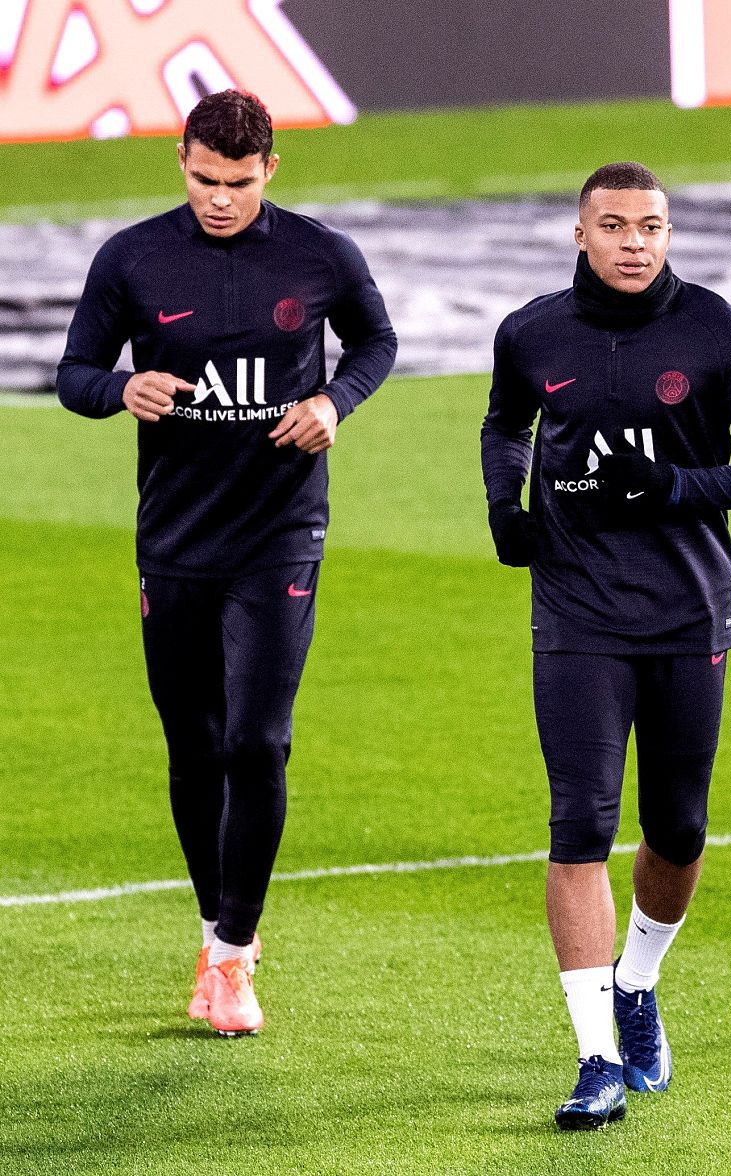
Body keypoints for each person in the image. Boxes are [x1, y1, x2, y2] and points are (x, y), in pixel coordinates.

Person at [56, 89, 397, 1036]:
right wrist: (125, 386)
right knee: (195, 744)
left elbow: (376, 341)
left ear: (271, 171)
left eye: (239, 184)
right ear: (181, 160)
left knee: (259, 739)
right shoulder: (131, 257)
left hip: (279, 534)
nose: (219, 199)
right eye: (205, 180)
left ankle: (237, 954)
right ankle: (215, 932)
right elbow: (73, 376)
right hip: (174, 538)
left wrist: (336, 402)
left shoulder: (320, 255)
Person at [481, 162, 731, 1130]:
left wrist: (677, 490)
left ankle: (637, 981)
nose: (633, 244)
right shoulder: (532, 333)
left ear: (668, 234)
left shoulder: (715, 331)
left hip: (687, 611)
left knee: (679, 829)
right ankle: (593, 1059)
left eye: (650, 227)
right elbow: (506, 421)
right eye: (613, 226)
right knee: (578, 822)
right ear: (578, 235)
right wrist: (506, 503)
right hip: (576, 612)